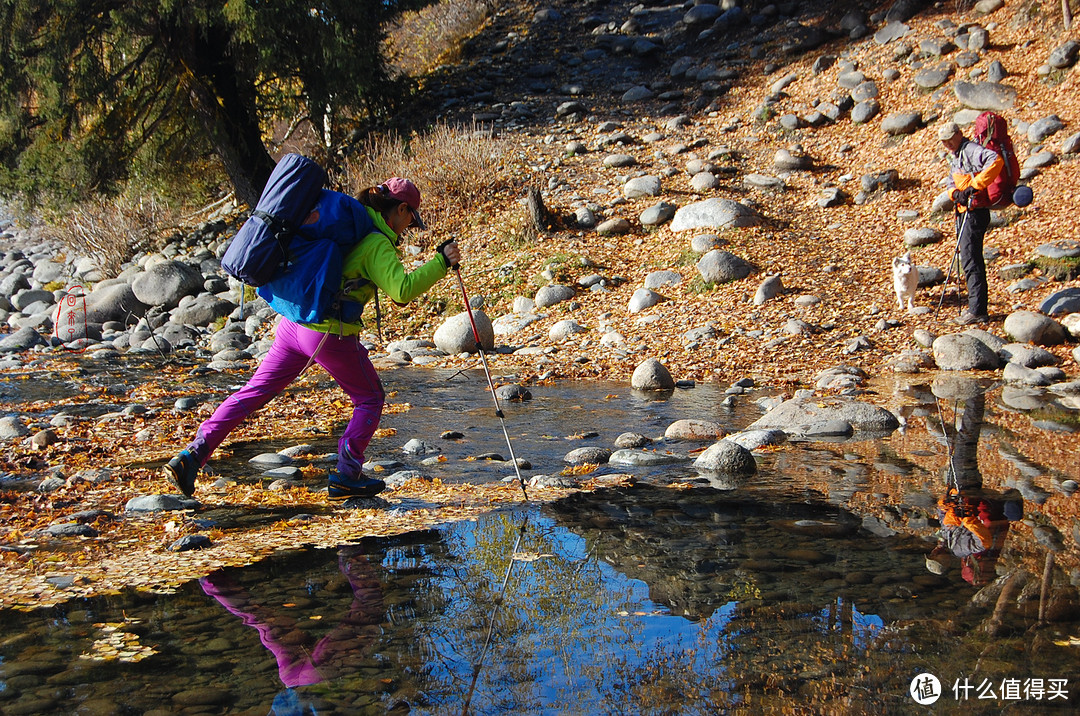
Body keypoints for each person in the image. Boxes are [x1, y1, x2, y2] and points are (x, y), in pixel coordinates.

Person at [163, 178, 461, 500]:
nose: (409, 228)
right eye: (411, 220)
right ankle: (347, 475)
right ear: (401, 209)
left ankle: (191, 456)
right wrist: (442, 262)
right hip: (328, 335)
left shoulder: (350, 222)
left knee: (254, 391)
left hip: (293, 325)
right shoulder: (376, 243)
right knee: (370, 398)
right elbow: (402, 291)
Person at [925, 389, 1022, 585]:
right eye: (935, 556)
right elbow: (983, 541)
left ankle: (974, 397)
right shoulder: (961, 549)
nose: (934, 552)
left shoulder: (947, 541)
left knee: (960, 445)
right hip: (967, 487)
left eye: (932, 554)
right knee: (965, 441)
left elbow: (945, 516)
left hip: (958, 487)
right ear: (943, 560)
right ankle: (976, 394)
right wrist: (967, 519)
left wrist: (944, 506)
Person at [938, 121, 1003, 326]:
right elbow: (951, 181)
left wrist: (974, 186)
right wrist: (954, 193)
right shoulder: (957, 155)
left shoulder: (971, 150)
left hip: (975, 214)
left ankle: (977, 311)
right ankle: (976, 309)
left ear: (959, 134)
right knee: (968, 258)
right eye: (943, 141)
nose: (947, 143)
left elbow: (996, 160)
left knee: (971, 259)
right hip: (964, 212)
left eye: (950, 138)